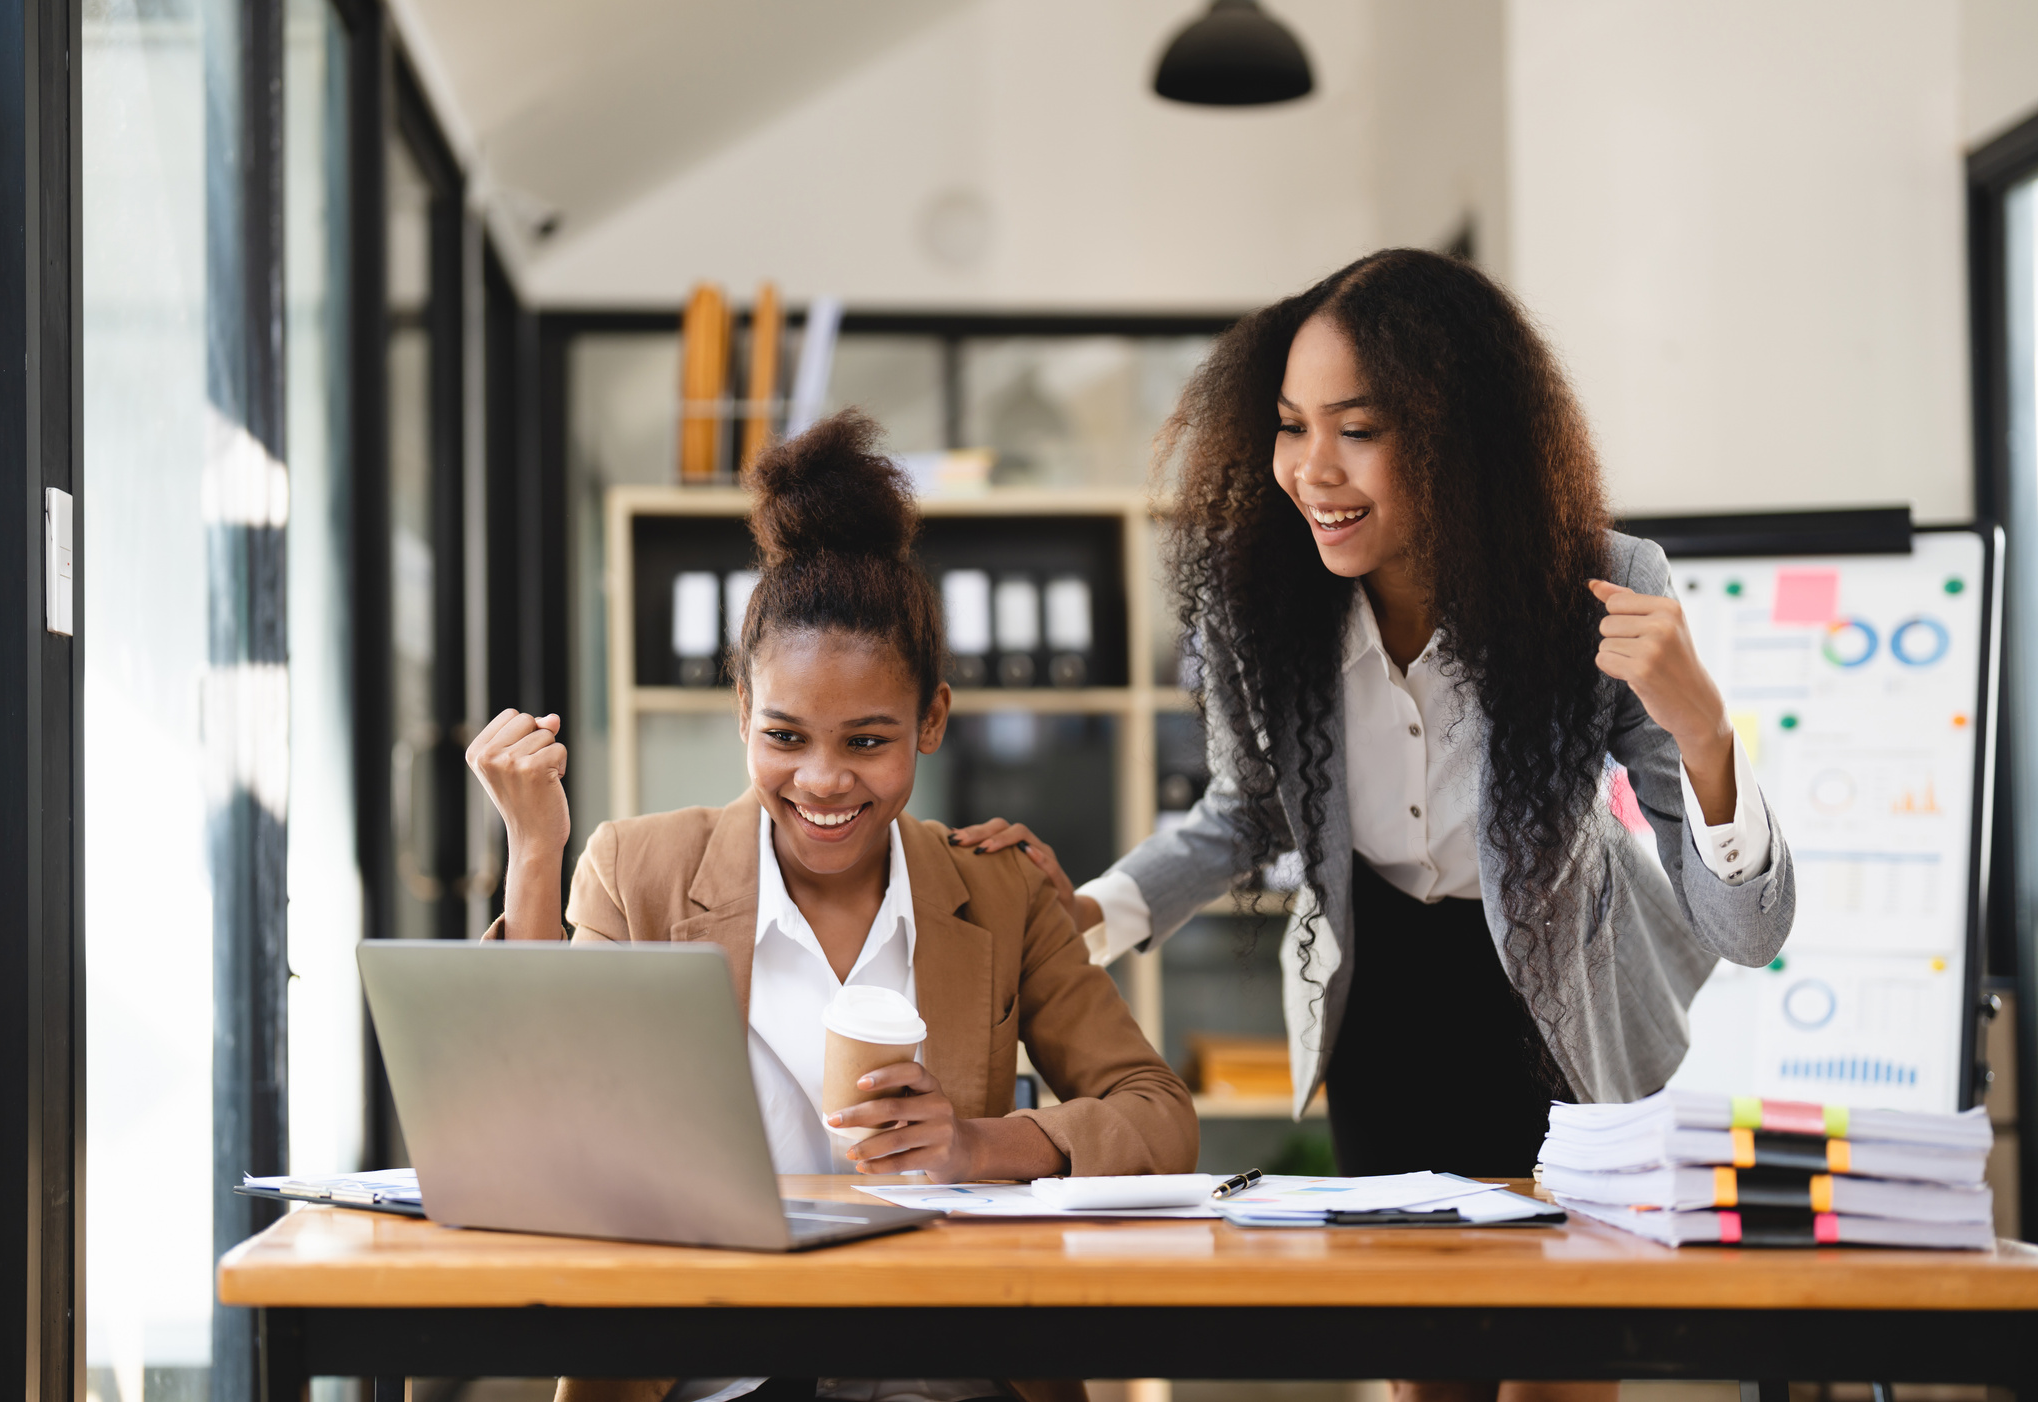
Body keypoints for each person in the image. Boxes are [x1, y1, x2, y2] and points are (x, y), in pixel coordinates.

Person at [953, 250, 1796, 1402]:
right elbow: (1248, 811)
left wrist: (1704, 734)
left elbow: (1749, 930)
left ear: (1458, 435)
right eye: (1292, 426)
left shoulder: (1598, 584)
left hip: (1561, 1014)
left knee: (1567, 1365)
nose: (1312, 470)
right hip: (1385, 1007)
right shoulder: (1265, 606)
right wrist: (1084, 914)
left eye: (1358, 429)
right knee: (1420, 1367)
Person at [467, 410, 1196, 1402]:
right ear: (741, 713)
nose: (822, 781)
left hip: (938, 1358)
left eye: (865, 741)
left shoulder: (996, 889)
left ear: (931, 719)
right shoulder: (636, 870)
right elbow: (532, 1124)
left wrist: (979, 1146)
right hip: (709, 1366)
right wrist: (534, 853)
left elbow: (1156, 1118)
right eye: (785, 736)